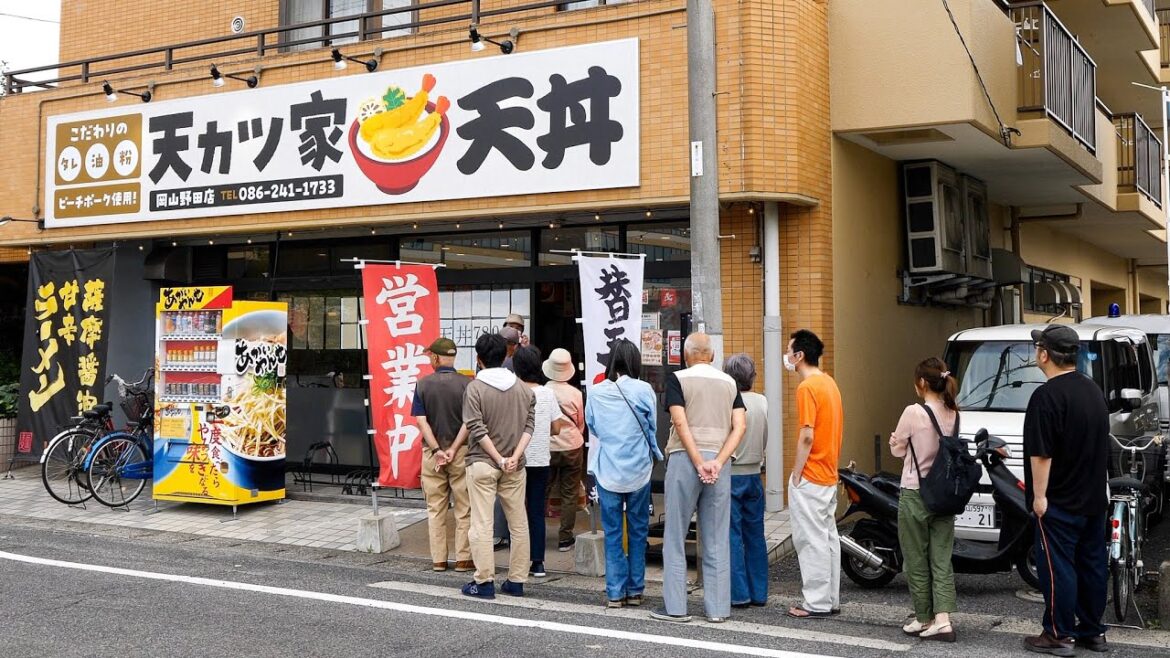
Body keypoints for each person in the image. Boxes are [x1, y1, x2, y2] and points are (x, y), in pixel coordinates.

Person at [1023, 325, 1109, 656]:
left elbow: (1042, 453)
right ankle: (1092, 631)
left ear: (1045, 354)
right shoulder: (1093, 391)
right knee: (1092, 565)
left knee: (1058, 568)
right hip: (1092, 498)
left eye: (1037, 348)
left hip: (1059, 499)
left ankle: (1059, 634)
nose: (1036, 353)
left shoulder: (1046, 396)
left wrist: (1039, 497)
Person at [651, 333, 746, 624]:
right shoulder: (730, 383)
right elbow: (740, 426)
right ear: (713, 355)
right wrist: (716, 461)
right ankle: (718, 610)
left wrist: (698, 462)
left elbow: (679, 421)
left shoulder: (678, 378)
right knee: (717, 536)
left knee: (676, 534)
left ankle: (676, 608)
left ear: (685, 354)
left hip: (685, 458)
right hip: (720, 463)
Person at [585, 339, 663, 608]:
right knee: (639, 531)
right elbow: (652, 425)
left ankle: (615, 592)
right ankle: (636, 590)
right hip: (639, 469)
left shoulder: (595, 392)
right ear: (634, 361)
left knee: (614, 531)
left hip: (608, 469)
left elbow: (592, 427)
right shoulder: (644, 390)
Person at [889, 357, 959, 642]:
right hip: (944, 494)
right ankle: (943, 620)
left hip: (915, 492)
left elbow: (898, 451)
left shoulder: (913, 412)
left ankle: (923, 617)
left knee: (916, 558)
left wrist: (896, 442)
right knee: (941, 557)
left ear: (921, 383)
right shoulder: (954, 412)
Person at [460, 332, 536, 600]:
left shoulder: (475, 389)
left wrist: (498, 458)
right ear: (506, 355)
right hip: (516, 466)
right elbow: (530, 426)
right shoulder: (523, 389)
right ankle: (516, 581)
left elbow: (476, 428)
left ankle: (484, 582)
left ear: (479, 359)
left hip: (482, 462)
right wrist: (513, 457)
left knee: (481, 522)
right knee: (519, 523)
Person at [785, 328, 844, 619]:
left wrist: (796, 473)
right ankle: (830, 599)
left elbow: (806, 435)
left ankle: (816, 603)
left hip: (811, 474)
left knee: (811, 540)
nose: (787, 356)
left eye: (789, 351)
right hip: (829, 472)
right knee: (828, 538)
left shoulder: (806, 388)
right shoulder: (829, 383)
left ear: (800, 355)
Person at [411, 337, 474, 574]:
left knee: (435, 508)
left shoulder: (422, 384)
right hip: (461, 452)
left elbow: (421, 421)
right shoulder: (468, 384)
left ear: (436, 358)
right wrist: (453, 449)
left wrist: (437, 450)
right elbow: (469, 421)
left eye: (430, 357)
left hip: (432, 455)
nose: (429, 360)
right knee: (464, 507)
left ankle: (439, 560)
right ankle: (464, 559)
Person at [513, 345, 571, 579]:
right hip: (540, 458)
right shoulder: (547, 393)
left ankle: (517, 561)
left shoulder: (513, 391)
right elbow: (557, 427)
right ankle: (538, 563)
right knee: (536, 510)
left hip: (516, 459)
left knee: (516, 510)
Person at [723, 353, 769, 609]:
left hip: (731, 474)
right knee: (755, 536)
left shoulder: (729, 403)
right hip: (754, 474)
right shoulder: (762, 401)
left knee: (732, 535)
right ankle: (759, 593)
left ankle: (739, 594)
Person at [543, 347, 586, 553]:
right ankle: (565, 538)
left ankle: (536, 533)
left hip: (548, 446)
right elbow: (580, 423)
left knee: (541, 489)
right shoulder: (575, 394)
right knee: (569, 492)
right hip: (572, 446)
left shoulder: (543, 391)